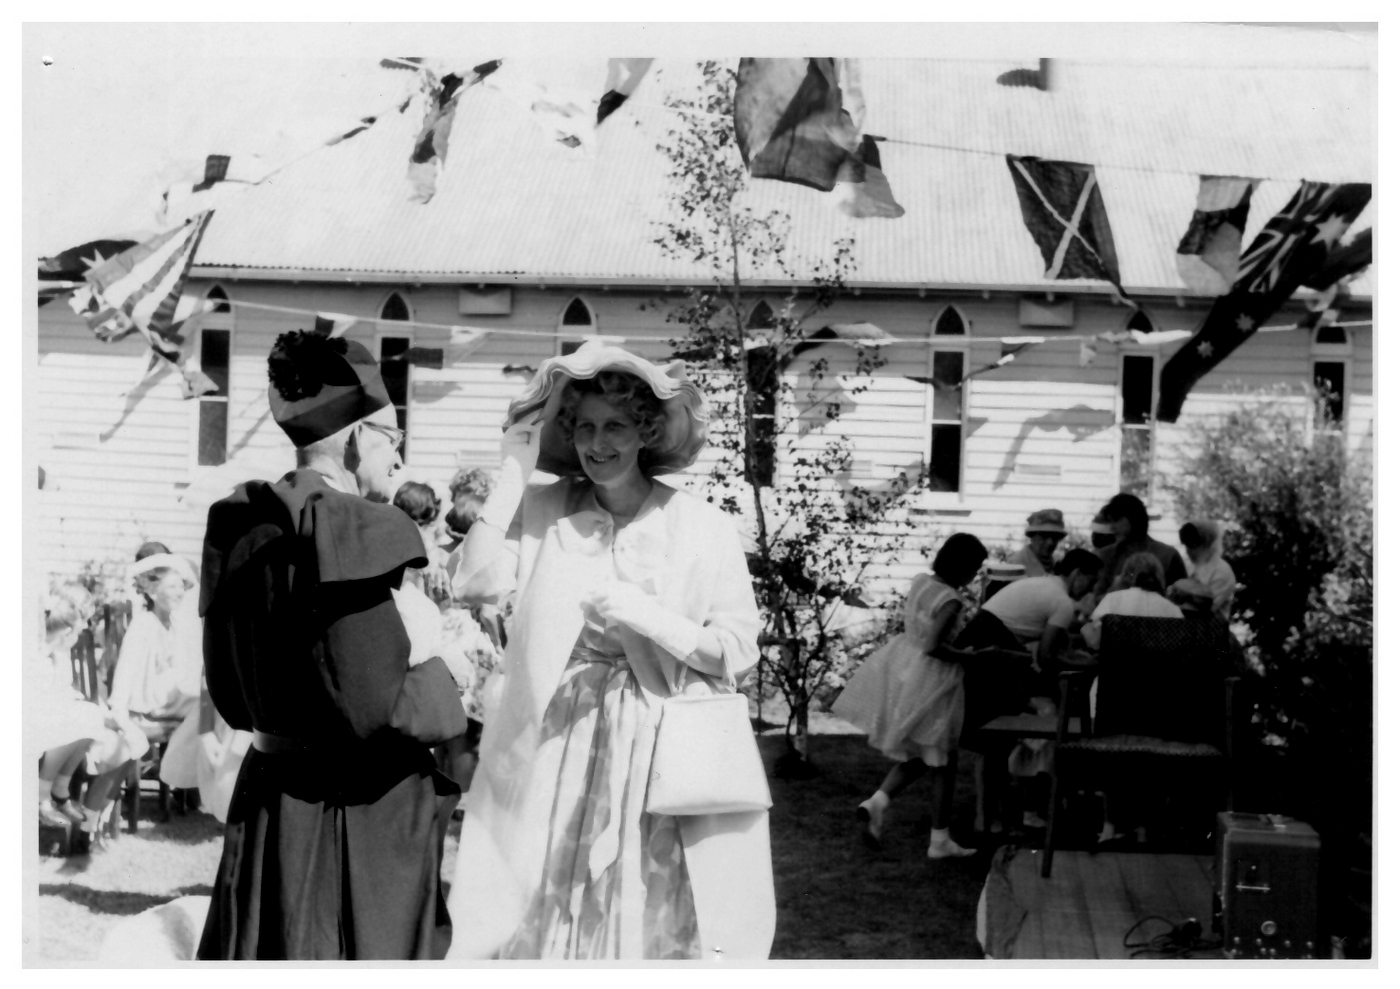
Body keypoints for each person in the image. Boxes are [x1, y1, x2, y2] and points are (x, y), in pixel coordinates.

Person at [444, 342, 773, 960]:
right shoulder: (545, 510)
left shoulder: (701, 525)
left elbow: (736, 648)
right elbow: (473, 583)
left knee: (642, 894)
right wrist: (514, 472)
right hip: (558, 733)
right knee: (543, 885)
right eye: (585, 426)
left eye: (616, 426)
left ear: (646, 431)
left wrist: (652, 619)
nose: (598, 443)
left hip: (657, 739)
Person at [197, 329, 470, 960]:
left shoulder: (245, 519)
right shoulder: (355, 527)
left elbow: (232, 696)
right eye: (393, 437)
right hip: (353, 815)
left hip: (270, 797)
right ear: (356, 439)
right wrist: (448, 670)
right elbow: (377, 708)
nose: (399, 455)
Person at [833, 532, 990, 860]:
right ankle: (939, 840)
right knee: (943, 760)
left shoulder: (922, 581)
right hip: (934, 679)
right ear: (961, 565)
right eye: (974, 568)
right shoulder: (951, 600)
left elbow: (921, 636)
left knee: (921, 754)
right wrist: (971, 656)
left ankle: (877, 803)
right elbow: (934, 646)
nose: (975, 575)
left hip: (907, 667)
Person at [30, 581, 144, 847]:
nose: (86, 627)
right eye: (82, 620)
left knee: (90, 719)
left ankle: (62, 792)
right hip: (35, 721)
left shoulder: (59, 653)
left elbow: (66, 692)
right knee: (82, 720)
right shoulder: (39, 656)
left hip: (51, 715)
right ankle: (43, 794)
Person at [1091, 493, 1188, 601]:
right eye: (1110, 521)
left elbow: (1181, 599)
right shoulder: (1106, 556)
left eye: (1116, 519)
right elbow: (1094, 600)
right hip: (1112, 615)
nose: (1112, 527)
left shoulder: (1168, 556)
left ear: (1133, 518)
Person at [1081, 552, 1184, 652]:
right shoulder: (1173, 609)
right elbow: (1180, 645)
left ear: (1126, 575)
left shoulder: (1113, 600)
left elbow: (1092, 640)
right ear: (1159, 575)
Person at [1174, 519, 1236, 619]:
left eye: (1192, 546)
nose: (1187, 551)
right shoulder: (1192, 567)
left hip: (1211, 631)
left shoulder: (1222, 571)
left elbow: (1208, 607)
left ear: (1205, 543)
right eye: (1186, 546)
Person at [1007, 509, 1068, 577]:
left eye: (1055, 536)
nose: (1050, 542)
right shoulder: (1016, 564)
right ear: (1032, 536)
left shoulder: (1058, 564)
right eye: (1044, 535)